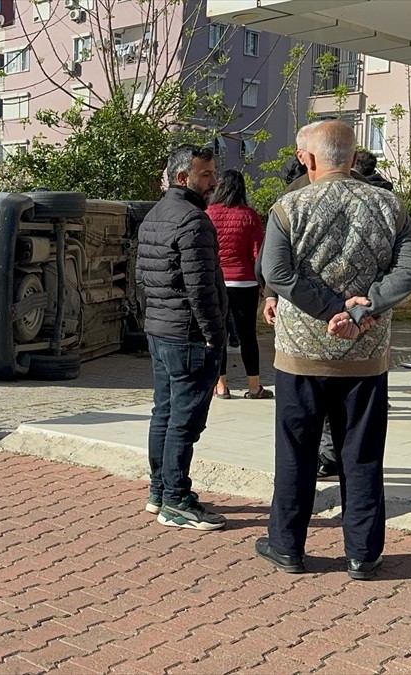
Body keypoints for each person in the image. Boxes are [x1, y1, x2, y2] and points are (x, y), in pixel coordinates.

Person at [258, 121, 411, 580]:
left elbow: (274, 269)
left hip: (300, 355)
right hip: (365, 354)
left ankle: (287, 547)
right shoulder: (390, 205)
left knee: (295, 452)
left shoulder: (288, 206)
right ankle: (363, 554)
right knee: (362, 453)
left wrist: (331, 308)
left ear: (305, 158)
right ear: (353, 160)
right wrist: (362, 307)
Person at [136, 145, 228, 531]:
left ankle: (159, 491)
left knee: (165, 413)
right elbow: (201, 288)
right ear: (182, 178)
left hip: (160, 330)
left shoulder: (154, 215)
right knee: (183, 422)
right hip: (187, 335)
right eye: (205, 175)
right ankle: (175, 499)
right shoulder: (194, 221)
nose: (213, 182)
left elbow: (142, 280)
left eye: (212, 174)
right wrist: (214, 337)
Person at [207, 169, 270, 400]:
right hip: (245, 282)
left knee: (218, 334)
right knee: (248, 336)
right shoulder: (249, 215)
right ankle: (254, 387)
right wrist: (264, 284)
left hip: (217, 281)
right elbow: (258, 253)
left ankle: (221, 386)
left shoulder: (208, 214)